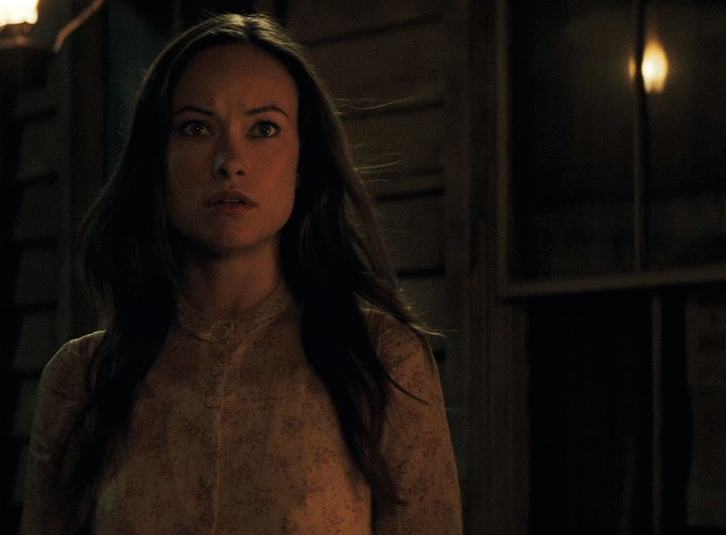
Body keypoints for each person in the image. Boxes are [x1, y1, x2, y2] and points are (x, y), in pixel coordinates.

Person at [21, 12, 462, 535]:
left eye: (264, 129)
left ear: (302, 163)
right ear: (157, 160)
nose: (230, 161)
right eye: (196, 128)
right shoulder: (82, 378)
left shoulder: (382, 362)